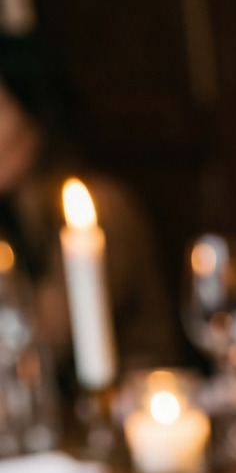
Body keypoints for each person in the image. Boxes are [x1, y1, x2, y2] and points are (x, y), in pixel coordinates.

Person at [0, 32, 177, 371]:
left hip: (137, 406)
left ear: (35, 115)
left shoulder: (102, 208)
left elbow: (44, 341)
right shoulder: (13, 224)